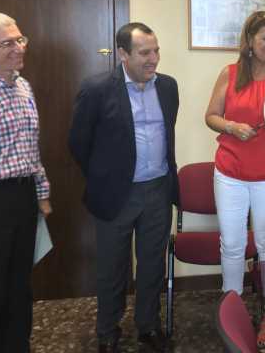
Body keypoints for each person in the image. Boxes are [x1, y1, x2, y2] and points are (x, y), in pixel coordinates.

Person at [68, 22, 179, 353]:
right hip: (116, 193)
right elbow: (78, 143)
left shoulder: (168, 87)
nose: (153, 59)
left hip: (158, 190)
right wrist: (104, 177)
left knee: (152, 264)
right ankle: (107, 330)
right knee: (112, 267)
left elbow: (168, 132)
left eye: (156, 51)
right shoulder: (97, 89)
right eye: (144, 52)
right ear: (122, 54)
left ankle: (148, 325)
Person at [205, 10, 265, 346]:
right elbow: (211, 116)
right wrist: (232, 126)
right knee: (232, 244)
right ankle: (230, 311)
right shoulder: (230, 74)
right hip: (230, 174)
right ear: (249, 40)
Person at [0, 12, 52, 352]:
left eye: (20, 39)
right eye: (8, 43)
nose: (19, 48)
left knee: (20, 284)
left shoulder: (23, 86)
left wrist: (42, 194)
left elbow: (31, 146)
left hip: (23, 197)